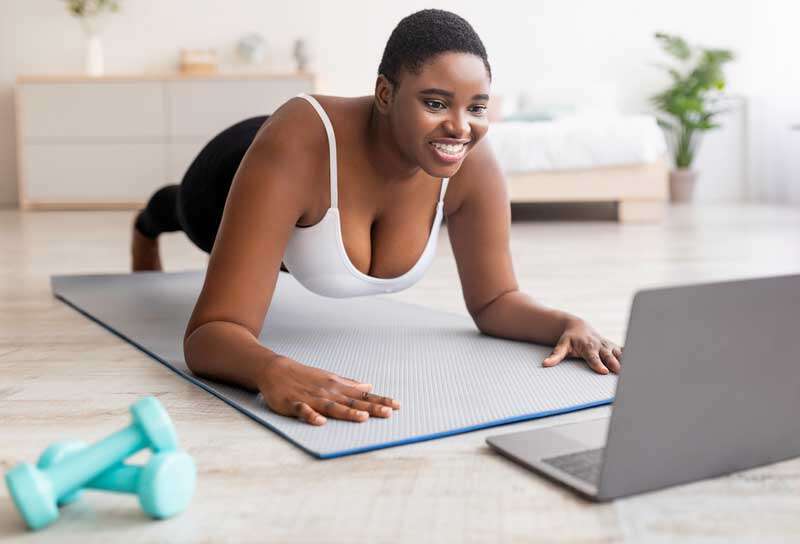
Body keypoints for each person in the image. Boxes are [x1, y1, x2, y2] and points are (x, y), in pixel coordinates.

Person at [132, 9, 623, 426]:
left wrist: (568, 322)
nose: (460, 126)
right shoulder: (297, 145)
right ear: (385, 94)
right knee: (177, 210)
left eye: (476, 106)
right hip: (232, 175)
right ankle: (146, 225)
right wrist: (271, 369)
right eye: (435, 102)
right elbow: (208, 334)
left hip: (298, 182)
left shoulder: (472, 161)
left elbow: (496, 300)